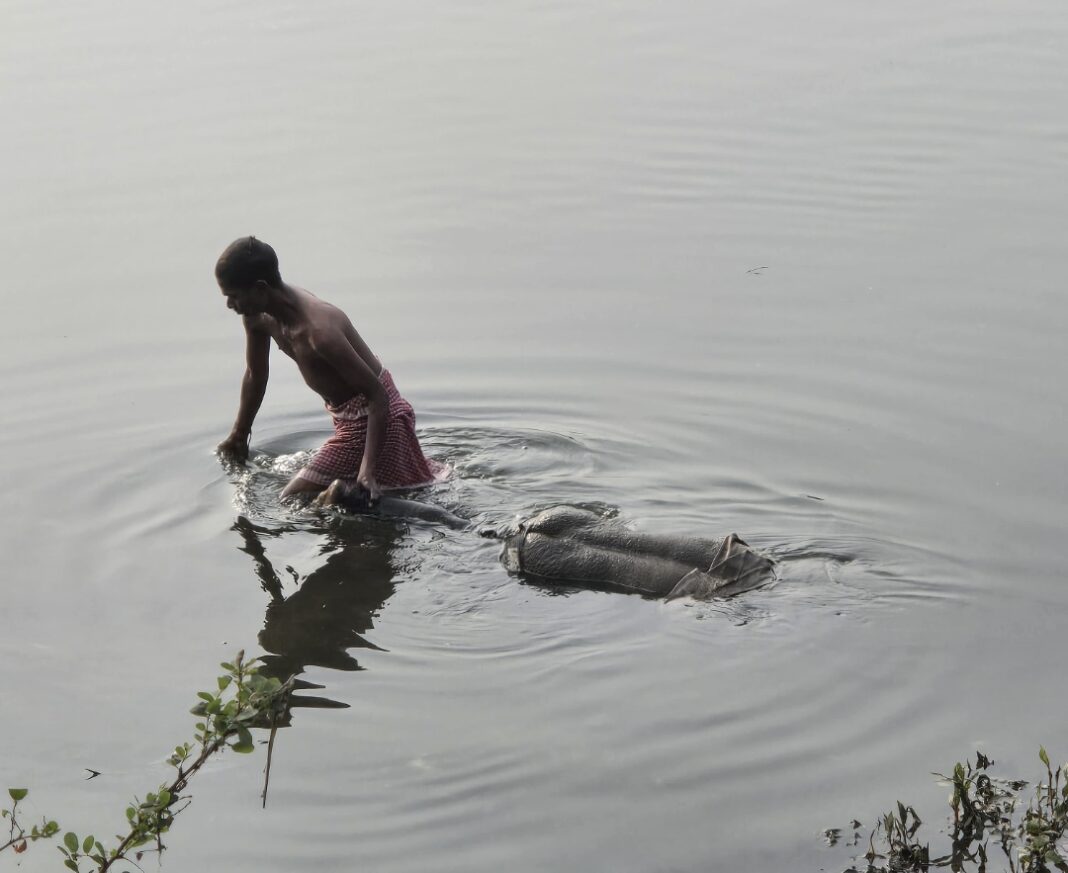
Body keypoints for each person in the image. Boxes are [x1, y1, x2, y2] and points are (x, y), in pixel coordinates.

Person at [214, 236, 445, 505]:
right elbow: (255, 375)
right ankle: (344, 497)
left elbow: (378, 397)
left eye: (233, 296)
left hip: (375, 419)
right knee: (366, 499)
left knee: (291, 499)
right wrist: (239, 434)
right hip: (348, 421)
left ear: (260, 288)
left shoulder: (319, 333)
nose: (229, 305)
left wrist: (367, 471)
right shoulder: (257, 317)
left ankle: (341, 495)